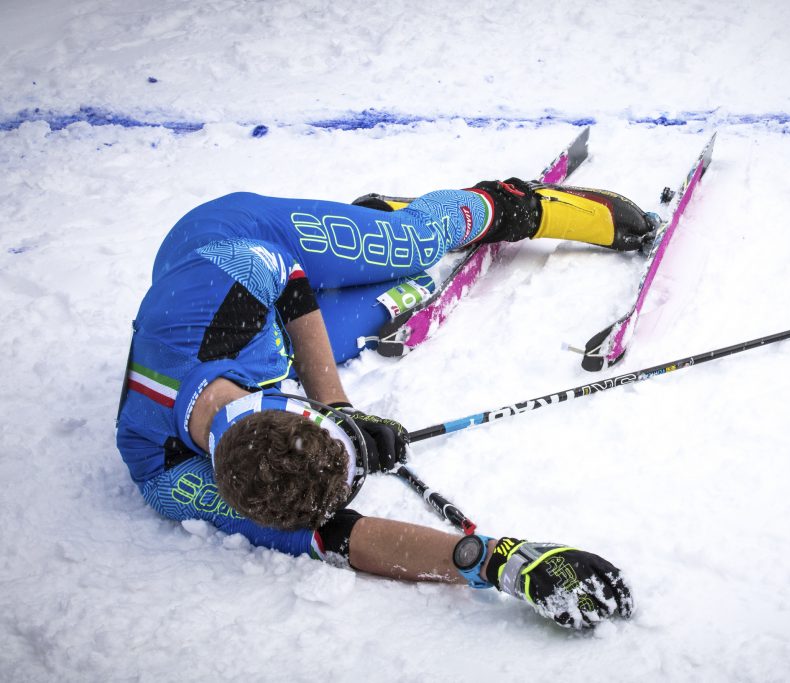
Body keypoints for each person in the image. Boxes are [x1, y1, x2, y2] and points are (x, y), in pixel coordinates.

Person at [116, 177, 651, 629]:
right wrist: (494, 563)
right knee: (406, 292)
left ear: (296, 409)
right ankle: (361, 230)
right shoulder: (164, 478)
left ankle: (514, 202)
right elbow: (338, 538)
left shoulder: (227, 281)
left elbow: (290, 277)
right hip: (264, 325)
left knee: (412, 247)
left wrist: (337, 404)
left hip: (249, 237)